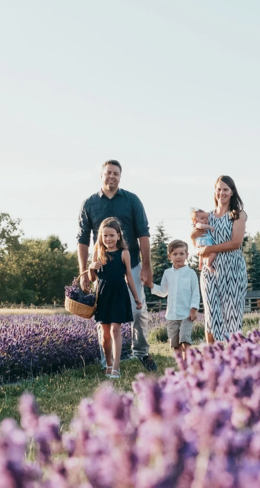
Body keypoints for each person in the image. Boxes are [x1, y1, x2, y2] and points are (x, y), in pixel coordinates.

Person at [77, 160, 158, 372]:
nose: (111, 176)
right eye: (108, 173)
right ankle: (108, 361)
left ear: (120, 177)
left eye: (115, 173)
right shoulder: (89, 204)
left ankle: (141, 352)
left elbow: (144, 233)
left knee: (139, 312)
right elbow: (82, 240)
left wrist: (147, 266)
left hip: (129, 263)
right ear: (101, 176)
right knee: (104, 316)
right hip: (103, 270)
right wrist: (84, 272)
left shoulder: (132, 200)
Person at [191, 175, 248, 343]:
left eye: (225, 189)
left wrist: (209, 249)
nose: (221, 193)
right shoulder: (207, 216)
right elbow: (195, 235)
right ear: (215, 191)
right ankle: (211, 358)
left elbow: (236, 243)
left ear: (232, 192)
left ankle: (234, 358)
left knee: (232, 316)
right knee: (211, 313)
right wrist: (195, 240)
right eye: (219, 189)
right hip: (210, 270)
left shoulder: (237, 215)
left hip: (233, 270)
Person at [87, 217, 144, 379]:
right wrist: (91, 267)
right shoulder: (98, 253)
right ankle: (108, 363)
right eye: (105, 236)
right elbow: (92, 279)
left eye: (112, 235)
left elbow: (129, 277)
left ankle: (116, 367)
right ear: (101, 237)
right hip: (103, 295)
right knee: (104, 335)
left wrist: (136, 297)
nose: (108, 239)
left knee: (115, 329)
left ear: (118, 236)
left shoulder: (124, 253)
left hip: (119, 293)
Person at [150, 239, 200, 363]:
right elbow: (163, 291)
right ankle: (181, 364)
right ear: (169, 256)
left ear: (187, 255)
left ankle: (188, 362)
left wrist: (194, 309)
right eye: (175, 254)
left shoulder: (191, 273)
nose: (178, 257)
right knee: (174, 342)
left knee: (185, 339)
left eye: (181, 254)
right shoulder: (167, 273)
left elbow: (195, 293)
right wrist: (151, 285)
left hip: (186, 315)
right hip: (171, 315)